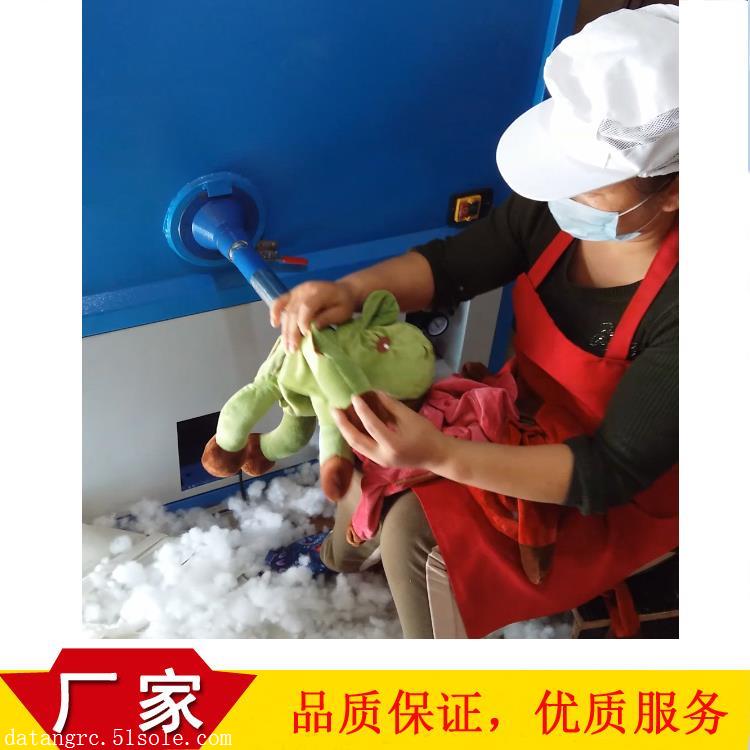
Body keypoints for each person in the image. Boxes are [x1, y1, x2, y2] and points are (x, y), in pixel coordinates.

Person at [269, 5, 679, 638]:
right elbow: (452, 266)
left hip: (617, 489)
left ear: (675, 191)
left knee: (415, 530)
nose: (567, 196)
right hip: (525, 417)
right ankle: (338, 556)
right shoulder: (554, 213)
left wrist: (444, 455)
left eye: (592, 186)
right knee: (376, 451)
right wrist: (349, 291)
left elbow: (610, 472)